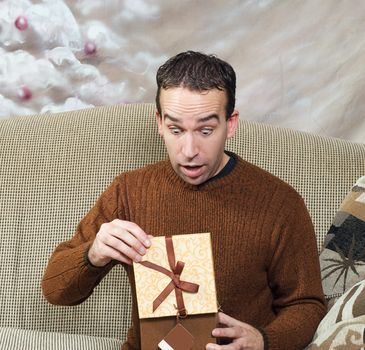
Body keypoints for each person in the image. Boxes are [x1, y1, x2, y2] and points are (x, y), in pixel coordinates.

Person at [42, 51, 326, 350]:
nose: (189, 150)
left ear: (230, 124)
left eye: (205, 130)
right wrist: (94, 253)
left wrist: (263, 340)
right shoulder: (128, 191)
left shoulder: (279, 202)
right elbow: (55, 291)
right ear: (160, 123)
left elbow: (307, 304)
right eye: (176, 129)